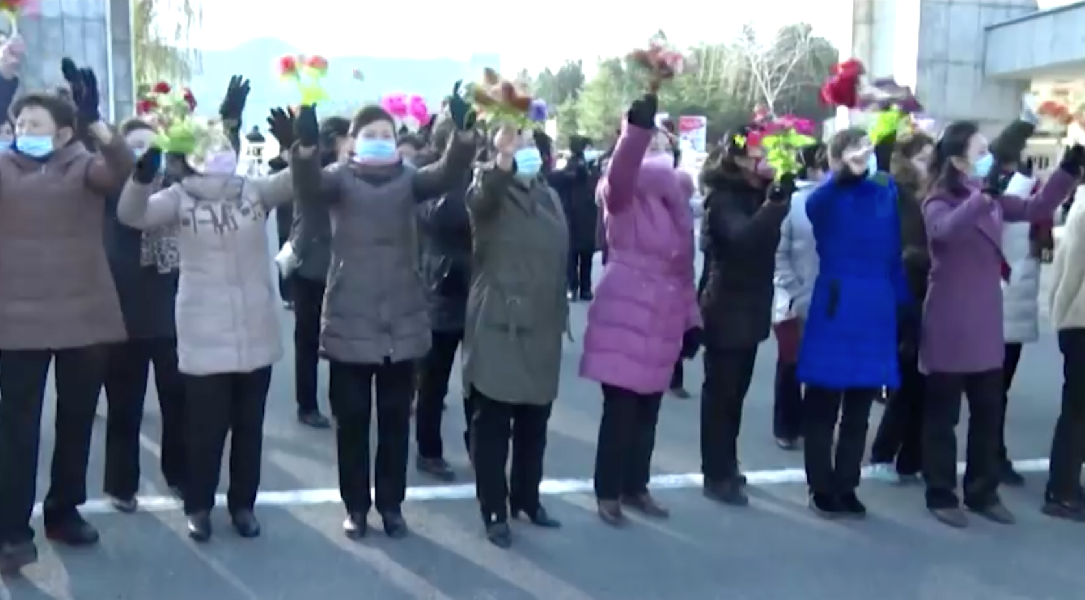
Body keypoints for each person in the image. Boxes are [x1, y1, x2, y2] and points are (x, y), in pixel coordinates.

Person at [290, 85, 476, 541]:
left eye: (385, 134)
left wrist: (463, 135)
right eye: (369, 134)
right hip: (349, 317)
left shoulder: (410, 179)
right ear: (354, 141)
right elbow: (307, 185)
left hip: (402, 319)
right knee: (351, 423)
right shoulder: (338, 178)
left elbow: (449, 172)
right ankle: (356, 507)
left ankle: (391, 506)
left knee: (394, 423)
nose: (378, 141)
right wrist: (306, 148)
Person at [118, 118, 294, 543]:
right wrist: (141, 177)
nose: (217, 154)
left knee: (249, 428)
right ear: (189, 158)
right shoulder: (177, 197)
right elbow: (132, 214)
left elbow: (299, 183)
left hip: (256, 326)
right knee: (205, 429)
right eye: (207, 149)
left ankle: (243, 506)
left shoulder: (254, 191)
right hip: (203, 330)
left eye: (222, 147)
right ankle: (199, 506)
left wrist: (298, 148)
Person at [0, 65, 135, 571]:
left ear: (62, 133)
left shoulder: (83, 166)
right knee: (17, 429)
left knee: (76, 420)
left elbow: (123, 171)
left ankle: (63, 511)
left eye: (35, 124)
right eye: (19, 124)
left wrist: (96, 122)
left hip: (83, 312)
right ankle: (11, 531)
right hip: (15, 318)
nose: (24, 132)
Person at [919, 121, 1080, 528]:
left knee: (988, 412)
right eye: (979, 151)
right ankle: (941, 493)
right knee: (943, 416)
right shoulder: (939, 199)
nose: (986, 157)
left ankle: (982, 491)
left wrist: (1067, 170)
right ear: (958, 161)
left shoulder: (986, 196)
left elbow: (1035, 208)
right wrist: (985, 196)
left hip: (987, 318)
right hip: (950, 318)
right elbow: (944, 232)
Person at [580, 92, 700, 526]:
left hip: (663, 314)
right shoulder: (623, 193)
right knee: (621, 411)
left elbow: (683, 268)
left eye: (662, 138)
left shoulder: (677, 198)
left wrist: (692, 319)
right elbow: (622, 170)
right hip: (626, 311)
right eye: (653, 138)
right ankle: (607, 491)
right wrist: (635, 131)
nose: (659, 144)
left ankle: (636, 485)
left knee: (649, 410)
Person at [465, 120, 568, 549]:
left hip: (542, 324)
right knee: (493, 422)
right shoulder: (488, 190)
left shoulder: (548, 195)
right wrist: (502, 160)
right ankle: (494, 508)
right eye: (515, 139)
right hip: (499, 324)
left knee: (534, 420)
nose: (526, 146)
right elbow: (483, 196)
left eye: (529, 139)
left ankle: (527, 497)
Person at [798, 128, 911, 519]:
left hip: (876, 306)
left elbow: (894, 253)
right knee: (823, 406)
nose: (863, 158)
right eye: (853, 152)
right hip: (836, 304)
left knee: (860, 408)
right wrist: (843, 174)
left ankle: (847, 484)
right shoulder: (825, 197)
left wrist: (903, 304)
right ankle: (820, 486)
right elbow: (818, 207)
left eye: (866, 150)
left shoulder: (885, 191)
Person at [698, 126, 790, 506]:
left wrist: (776, 198)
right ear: (738, 159)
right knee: (721, 395)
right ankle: (715, 472)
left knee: (736, 394)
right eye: (757, 153)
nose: (765, 159)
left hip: (753, 303)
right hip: (726, 305)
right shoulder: (722, 198)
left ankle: (728, 462)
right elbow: (742, 239)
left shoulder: (758, 194)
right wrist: (774, 205)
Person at [100, 119, 185, 513]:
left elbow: (209, 162)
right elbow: (109, 157)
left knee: (179, 406)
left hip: (174, 316)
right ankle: (121, 485)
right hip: (122, 316)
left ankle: (181, 475)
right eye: (135, 145)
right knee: (124, 408)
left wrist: (229, 124)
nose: (145, 153)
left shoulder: (176, 193)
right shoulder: (110, 192)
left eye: (152, 146)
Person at [269, 107, 351, 429]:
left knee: (342, 339)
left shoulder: (353, 170)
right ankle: (307, 405)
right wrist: (296, 147)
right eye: (347, 138)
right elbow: (302, 177)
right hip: (312, 264)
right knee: (307, 338)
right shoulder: (313, 169)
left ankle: (340, 401)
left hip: (346, 265)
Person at [868, 131, 935, 483]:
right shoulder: (896, 193)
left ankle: (913, 457)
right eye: (922, 158)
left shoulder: (934, 193)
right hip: (904, 294)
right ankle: (883, 453)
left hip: (932, 294)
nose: (929, 164)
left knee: (925, 380)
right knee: (907, 377)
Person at [415, 116, 474, 481]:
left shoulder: (480, 174)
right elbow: (441, 216)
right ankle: (429, 450)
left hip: (477, 289)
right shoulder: (427, 178)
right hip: (442, 289)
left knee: (478, 381)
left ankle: (478, 445)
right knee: (433, 382)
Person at [989, 115, 1044, 487]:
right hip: (1005, 292)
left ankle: (992, 453)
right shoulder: (1007, 187)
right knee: (993, 389)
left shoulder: (1015, 184)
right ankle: (991, 456)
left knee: (995, 389)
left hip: (1016, 293)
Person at [771, 143, 828, 450]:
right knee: (790, 364)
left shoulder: (845, 203)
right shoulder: (794, 204)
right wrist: (794, 291)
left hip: (831, 299)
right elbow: (778, 255)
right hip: (793, 300)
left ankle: (814, 424)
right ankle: (787, 425)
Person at [1045, 183, 1085, 521]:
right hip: (1080, 321)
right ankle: (1062, 491)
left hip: (1077, 320)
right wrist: (1062, 319)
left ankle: (1067, 486)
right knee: (1077, 410)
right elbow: (1070, 270)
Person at [552, 134, 599, 301]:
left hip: (573, 217)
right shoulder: (587, 170)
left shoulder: (567, 171)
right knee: (583, 256)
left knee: (574, 256)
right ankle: (583, 288)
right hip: (584, 217)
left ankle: (575, 287)